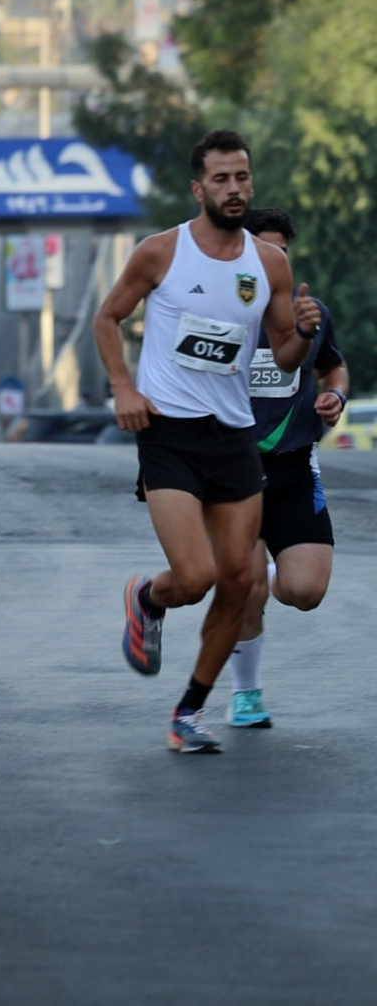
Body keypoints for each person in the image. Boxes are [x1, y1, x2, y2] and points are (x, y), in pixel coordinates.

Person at [92, 129, 322, 753]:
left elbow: (284, 353)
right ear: (199, 189)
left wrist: (304, 333)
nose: (234, 188)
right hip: (168, 432)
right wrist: (123, 386)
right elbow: (107, 316)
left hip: (234, 436)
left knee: (239, 583)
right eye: (221, 179)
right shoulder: (160, 252)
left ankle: (188, 713)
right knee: (194, 577)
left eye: (242, 177)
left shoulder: (269, 263)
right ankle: (149, 596)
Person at [226, 207, 348, 728]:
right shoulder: (221, 311)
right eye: (264, 250)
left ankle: (270, 570)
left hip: (295, 466)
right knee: (246, 589)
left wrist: (335, 396)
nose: (275, 260)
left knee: (306, 591)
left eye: (282, 252)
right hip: (234, 470)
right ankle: (245, 694)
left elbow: (333, 366)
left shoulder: (310, 312)